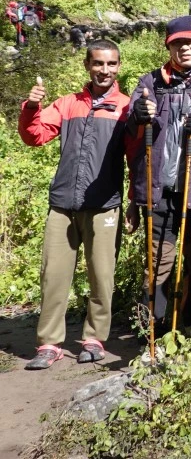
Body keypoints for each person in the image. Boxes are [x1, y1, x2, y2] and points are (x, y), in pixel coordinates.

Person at [18, 39, 130, 369]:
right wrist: (31, 107)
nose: (104, 70)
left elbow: (138, 157)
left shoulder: (126, 107)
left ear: (118, 66)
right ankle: (49, 344)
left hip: (104, 205)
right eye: (98, 63)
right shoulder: (67, 104)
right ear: (87, 65)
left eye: (111, 64)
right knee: (53, 275)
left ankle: (94, 339)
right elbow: (35, 136)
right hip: (62, 204)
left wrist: (136, 203)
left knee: (102, 276)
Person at [125, 16, 191, 340]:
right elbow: (129, 128)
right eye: (177, 43)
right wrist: (137, 116)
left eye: (190, 42)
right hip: (159, 190)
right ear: (168, 47)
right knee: (158, 262)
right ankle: (153, 330)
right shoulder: (150, 82)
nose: (184, 48)